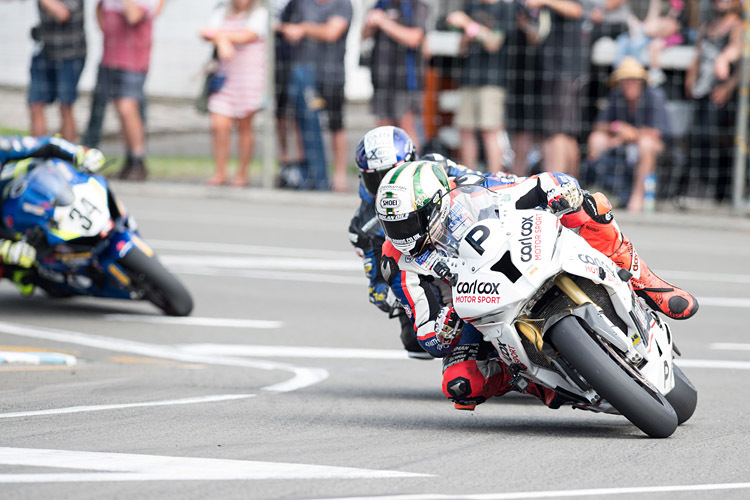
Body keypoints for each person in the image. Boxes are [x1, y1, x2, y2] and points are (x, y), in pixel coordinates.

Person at [375, 160, 697, 410]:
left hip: (522, 253)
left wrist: (560, 190)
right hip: (473, 310)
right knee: (460, 384)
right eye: (392, 226)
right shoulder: (396, 262)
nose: (403, 234)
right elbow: (425, 330)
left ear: (436, 204)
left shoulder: (474, 190)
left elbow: (539, 184)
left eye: (409, 222)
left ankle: (645, 281)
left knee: (590, 204)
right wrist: (443, 328)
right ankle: (534, 382)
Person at [0, 135, 104, 292]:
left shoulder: (4, 146)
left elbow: (48, 143)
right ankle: (18, 272)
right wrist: (3, 249)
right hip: (6, 228)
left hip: (32, 191)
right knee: (18, 260)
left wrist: (80, 153)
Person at [280, 0, 353, 192]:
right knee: (304, 122)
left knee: (336, 125)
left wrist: (303, 29)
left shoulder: (342, 4)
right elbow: (283, 25)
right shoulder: (301, 3)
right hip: (305, 73)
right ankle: (310, 170)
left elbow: (331, 32)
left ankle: (339, 176)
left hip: (332, 76)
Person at [583, 57, 671, 211]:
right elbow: (599, 125)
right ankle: (598, 192)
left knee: (646, 144)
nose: (629, 84)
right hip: (621, 140)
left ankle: (638, 196)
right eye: (624, 80)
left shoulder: (654, 95)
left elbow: (656, 132)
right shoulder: (617, 95)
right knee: (596, 139)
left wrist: (629, 134)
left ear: (641, 81)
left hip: (654, 145)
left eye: (633, 80)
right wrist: (617, 127)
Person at [200, 0, 269, 187]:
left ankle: (242, 173)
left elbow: (247, 36)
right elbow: (204, 31)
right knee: (219, 124)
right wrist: (221, 39)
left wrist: (220, 37)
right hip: (225, 78)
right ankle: (220, 171)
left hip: (249, 79)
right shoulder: (222, 11)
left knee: (245, 126)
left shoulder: (260, 14)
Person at [94, 0, 162, 181]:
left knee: (128, 108)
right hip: (111, 57)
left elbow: (133, 16)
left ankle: (138, 160)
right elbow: (100, 10)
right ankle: (129, 160)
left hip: (133, 60)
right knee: (120, 111)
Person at [684, 0, 742, 203]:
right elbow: (698, 54)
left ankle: (719, 193)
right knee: (697, 139)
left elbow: (740, 54)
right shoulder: (707, 26)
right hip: (702, 91)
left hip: (721, 94)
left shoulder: (738, 26)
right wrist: (691, 76)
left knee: (716, 141)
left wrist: (728, 86)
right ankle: (699, 189)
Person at [362, 0, 429, 152]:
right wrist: (370, 23)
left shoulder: (416, 6)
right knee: (383, 133)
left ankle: (414, 171)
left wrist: (384, 22)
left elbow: (414, 38)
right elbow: (364, 36)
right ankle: (386, 172)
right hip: (381, 79)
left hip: (406, 81)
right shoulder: (381, 4)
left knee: (407, 131)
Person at [28, 0, 87, 142]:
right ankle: (37, 156)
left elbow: (63, 13)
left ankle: (67, 158)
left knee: (65, 106)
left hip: (70, 54)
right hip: (45, 51)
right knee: (35, 103)